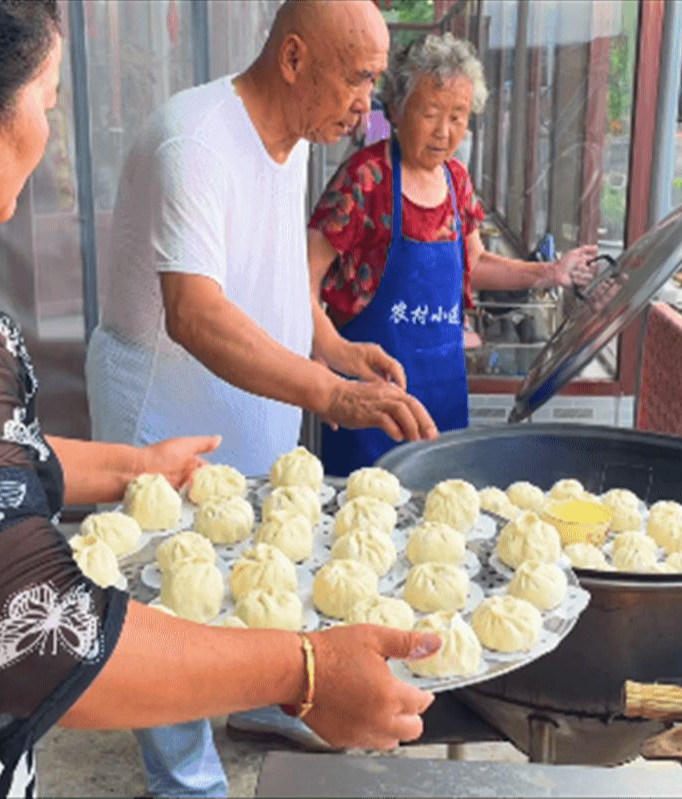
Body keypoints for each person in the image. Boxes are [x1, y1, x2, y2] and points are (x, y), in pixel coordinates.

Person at [0, 2, 437, 794]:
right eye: (48, 104)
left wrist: (131, 465)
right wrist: (303, 668)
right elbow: (35, 644)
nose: (48, 139)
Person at [85, 2, 439, 794]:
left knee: (262, 564)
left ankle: (267, 694)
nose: (368, 102)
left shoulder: (290, 139)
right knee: (168, 595)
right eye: (359, 77)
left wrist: (336, 347)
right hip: (167, 409)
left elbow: (272, 275)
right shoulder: (198, 140)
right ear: (293, 58)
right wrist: (330, 392)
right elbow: (197, 311)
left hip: (253, 403)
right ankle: (183, 773)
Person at [308, 33, 599, 476]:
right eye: (430, 113)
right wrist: (321, 352)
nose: (444, 132)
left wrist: (552, 272)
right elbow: (303, 275)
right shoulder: (365, 180)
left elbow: (475, 263)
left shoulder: (457, 180)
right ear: (398, 110)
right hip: (369, 397)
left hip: (441, 390)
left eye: (458, 116)